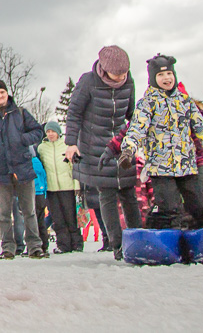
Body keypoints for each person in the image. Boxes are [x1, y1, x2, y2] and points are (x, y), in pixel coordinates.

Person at [121, 55, 203, 231]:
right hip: (161, 168)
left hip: (187, 165)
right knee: (169, 208)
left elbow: (202, 129)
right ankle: (167, 241)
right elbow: (136, 129)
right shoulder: (147, 104)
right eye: (161, 75)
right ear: (153, 79)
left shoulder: (185, 102)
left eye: (169, 73)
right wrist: (128, 150)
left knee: (202, 204)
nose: (166, 78)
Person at [63, 45, 141, 260]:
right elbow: (74, 113)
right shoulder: (88, 81)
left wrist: (138, 136)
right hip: (93, 145)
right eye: (117, 74)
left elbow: (132, 114)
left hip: (121, 143)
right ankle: (117, 246)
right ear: (105, 70)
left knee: (128, 192)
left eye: (124, 74)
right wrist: (71, 143)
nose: (121, 78)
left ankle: (139, 239)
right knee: (106, 194)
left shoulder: (129, 81)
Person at [0, 80, 48, 259]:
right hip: (0, 170)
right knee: (4, 213)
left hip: (23, 168)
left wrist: (22, 139)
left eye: (2, 92)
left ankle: (34, 246)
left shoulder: (20, 113)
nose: (0, 96)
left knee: (29, 211)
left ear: (7, 94)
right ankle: (8, 248)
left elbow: (38, 131)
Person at [37, 121, 82, 253]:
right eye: (48, 132)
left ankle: (77, 243)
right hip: (51, 188)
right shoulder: (42, 148)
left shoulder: (67, 146)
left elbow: (74, 166)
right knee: (57, 218)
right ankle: (63, 244)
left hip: (67, 186)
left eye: (53, 131)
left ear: (58, 132)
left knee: (70, 215)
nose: (50, 134)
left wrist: (77, 185)